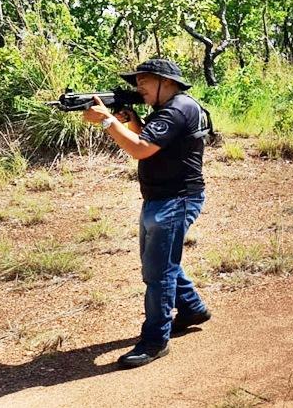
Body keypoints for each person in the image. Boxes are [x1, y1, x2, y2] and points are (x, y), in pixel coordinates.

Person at [82, 59, 211, 368]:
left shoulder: (177, 109)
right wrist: (130, 121)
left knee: (158, 272)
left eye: (143, 81)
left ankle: (155, 340)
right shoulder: (172, 108)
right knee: (160, 263)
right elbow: (154, 144)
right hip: (163, 198)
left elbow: (141, 149)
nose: (137, 87)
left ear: (166, 82)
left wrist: (107, 123)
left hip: (175, 200)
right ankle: (192, 309)